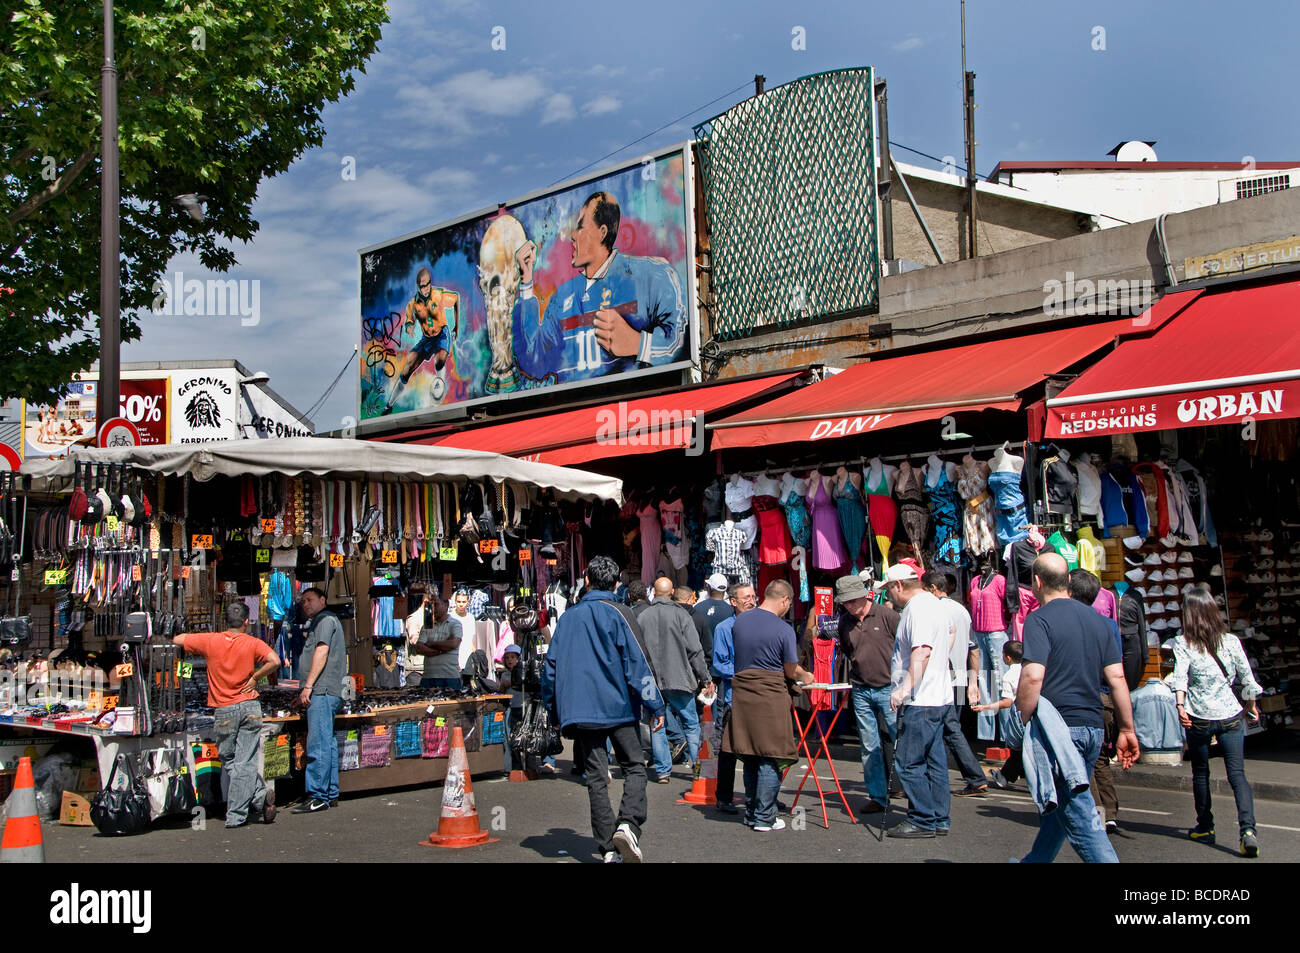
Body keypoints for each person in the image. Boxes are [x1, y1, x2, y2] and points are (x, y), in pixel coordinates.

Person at [1015, 553, 1140, 862]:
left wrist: (1022, 716)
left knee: (1079, 815)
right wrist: (1126, 728)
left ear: (1037, 583)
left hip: (1059, 729)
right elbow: (1117, 678)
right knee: (1063, 805)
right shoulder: (1101, 622)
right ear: (1069, 580)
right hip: (1093, 726)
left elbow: (1032, 676)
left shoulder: (1039, 619)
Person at [542, 555, 665, 863]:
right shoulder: (620, 613)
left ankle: (609, 847)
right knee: (635, 766)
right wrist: (655, 704)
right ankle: (628, 823)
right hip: (618, 707)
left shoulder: (569, 618)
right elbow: (639, 663)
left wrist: (553, 711)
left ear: (586, 581)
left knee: (596, 777)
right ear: (616, 583)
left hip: (581, 711)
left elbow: (551, 669)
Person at [512, 191, 688, 380]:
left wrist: (637, 343)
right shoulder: (562, 296)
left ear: (602, 232)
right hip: (573, 406)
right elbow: (534, 360)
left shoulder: (651, 274)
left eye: (580, 227)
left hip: (637, 404)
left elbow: (679, 341)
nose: (572, 236)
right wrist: (526, 281)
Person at [1168, 586, 1263, 857]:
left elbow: (1180, 677)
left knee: (1201, 772)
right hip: (1231, 716)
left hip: (1198, 717)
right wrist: (1251, 705)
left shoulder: (1183, 643)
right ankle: (1248, 830)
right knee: (1237, 775)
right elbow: (1247, 677)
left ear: (1188, 613)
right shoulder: (1231, 641)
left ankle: (1205, 826)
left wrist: (1180, 705)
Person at [173, 602, 282, 827]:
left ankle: (236, 815)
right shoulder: (252, 642)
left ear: (225, 621)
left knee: (230, 759)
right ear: (245, 622)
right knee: (244, 760)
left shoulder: (211, 640)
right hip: (250, 705)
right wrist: (255, 678)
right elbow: (275, 661)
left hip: (225, 708)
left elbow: (178, 639)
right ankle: (260, 794)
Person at [723, 579, 814, 833]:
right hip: (770, 693)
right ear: (785, 600)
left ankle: (752, 814)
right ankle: (765, 817)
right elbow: (790, 669)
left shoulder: (740, 621)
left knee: (750, 753)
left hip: (742, 692)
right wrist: (806, 676)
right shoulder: (783, 629)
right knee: (771, 755)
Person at [880, 563, 956, 838]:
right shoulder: (934, 604)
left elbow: (922, 651)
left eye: (889, 589)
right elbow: (949, 635)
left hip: (921, 698)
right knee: (933, 760)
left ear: (899, 585)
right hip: (936, 696)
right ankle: (938, 817)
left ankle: (923, 819)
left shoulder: (918, 609)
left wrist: (904, 690)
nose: (889, 596)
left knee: (910, 762)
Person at [834, 574, 901, 814]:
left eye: (852, 600)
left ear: (864, 596)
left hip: (888, 687)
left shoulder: (887, 616)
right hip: (861, 688)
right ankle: (878, 796)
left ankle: (914, 794)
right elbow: (847, 650)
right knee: (869, 745)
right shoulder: (844, 622)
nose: (849, 605)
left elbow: (904, 646)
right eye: (845, 602)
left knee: (899, 740)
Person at [922, 571, 989, 798]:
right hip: (959, 680)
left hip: (941, 680)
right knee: (951, 730)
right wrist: (973, 681)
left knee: (944, 731)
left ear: (932, 588)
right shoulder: (962, 610)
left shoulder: (934, 610)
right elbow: (974, 649)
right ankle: (972, 778)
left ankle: (961, 778)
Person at [638, 577, 712, 782]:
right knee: (690, 723)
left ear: (654, 593)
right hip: (679, 677)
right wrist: (705, 678)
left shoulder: (643, 616)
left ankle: (663, 771)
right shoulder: (681, 615)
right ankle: (698, 769)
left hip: (652, 681)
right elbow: (695, 651)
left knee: (656, 723)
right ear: (671, 593)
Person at [1068, 569, 1125, 831]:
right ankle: (1110, 813)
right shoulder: (1110, 625)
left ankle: (1097, 816)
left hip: (1083, 696)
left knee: (1085, 760)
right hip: (1107, 698)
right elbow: (1118, 667)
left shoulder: (1068, 622)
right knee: (1100, 757)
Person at [293, 587, 349, 814]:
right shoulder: (321, 621)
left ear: (322, 600)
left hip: (322, 690)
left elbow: (322, 652)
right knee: (327, 741)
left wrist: (308, 686)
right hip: (326, 690)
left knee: (318, 743)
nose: (305, 604)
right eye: (303, 601)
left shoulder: (325, 620)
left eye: (310, 599)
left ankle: (317, 795)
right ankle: (330, 793)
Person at [381, 268, 458, 414]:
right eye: (422, 286)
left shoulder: (439, 294)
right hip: (427, 339)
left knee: (440, 360)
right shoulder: (413, 304)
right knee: (408, 367)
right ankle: (389, 405)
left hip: (441, 334)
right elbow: (409, 321)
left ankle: (439, 384)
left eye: (427, 284)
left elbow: (456, 299)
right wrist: (409, 327)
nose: (425, 288)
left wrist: (457, 327)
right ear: (418, 286)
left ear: (430, 283)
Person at [710, 582, 756, 813]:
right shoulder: (724, 628)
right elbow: (719, 663)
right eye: (746, 597)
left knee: (760, 749)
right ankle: (724, 797)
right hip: (733, 697)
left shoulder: (762, 625)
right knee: (728, 750)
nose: (751, 600)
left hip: (759, 697)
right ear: (733, 602)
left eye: (753, 596)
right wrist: (745, 674)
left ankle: (761, 797)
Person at [975, 640, 1023, 789]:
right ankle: (1007, 775)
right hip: (1034, 714)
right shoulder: (1028, 669)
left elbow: (1007, 702)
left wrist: (986, 706)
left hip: (1019, 717)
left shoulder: (1009, 676)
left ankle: (1005, 775)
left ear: (1007, 658)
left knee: (1017, 749)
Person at [410, 590, 463, 691]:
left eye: (436, 604)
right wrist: (441, 649)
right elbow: (419, 648)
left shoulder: (455, 624)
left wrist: (430, 644)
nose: (433, 608)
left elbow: (453, 644)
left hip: (450, 676)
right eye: (432, 604)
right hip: (429, 676)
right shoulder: (427, 625)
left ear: (446, 605)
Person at [498, 644, 525, 773]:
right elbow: (501, 692)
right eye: (507, 657)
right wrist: (503, 686)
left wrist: (514, 682)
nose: (510, 660)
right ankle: (514, 765)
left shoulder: (524, 673)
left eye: (513, 657)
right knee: (510, 737)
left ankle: (528, 765)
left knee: (524, 737)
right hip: (511, 708)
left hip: (523, 708)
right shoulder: (505, 675)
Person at [449, 590, 476, 672]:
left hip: (468, 660)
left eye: (463, 601)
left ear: (468, 602)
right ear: (455, 602)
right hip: (454, 661)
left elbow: (471, 640)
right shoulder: (450, 617)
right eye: (459, 601)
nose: (461, 604)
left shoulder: (471, 618)